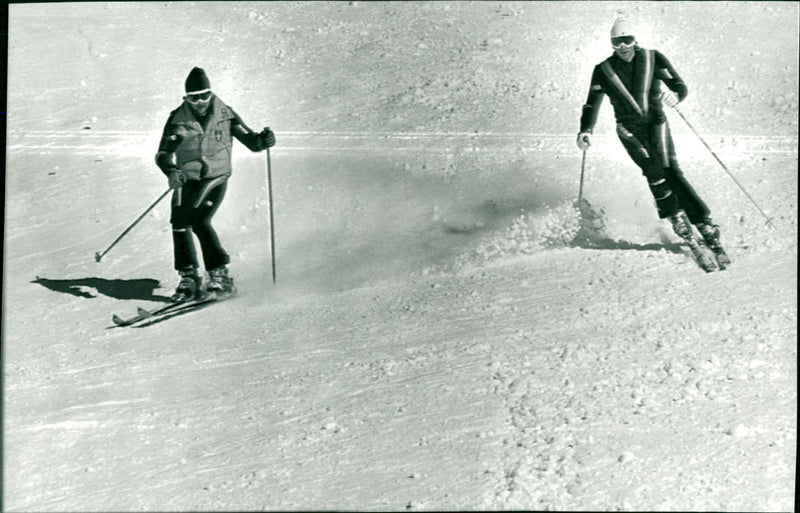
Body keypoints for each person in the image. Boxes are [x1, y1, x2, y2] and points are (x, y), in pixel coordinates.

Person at [576, 18, 729, 269]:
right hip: (629, 131)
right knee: (655, 174)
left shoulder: (653, 58)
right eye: (617, 42)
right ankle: (677, 219)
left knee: (671, 171)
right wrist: (586, 130)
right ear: (611, 44)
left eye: (627, 40)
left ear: (635, 40)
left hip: (657, 124)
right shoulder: (603, 69)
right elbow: (592, 103)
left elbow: (679, 85)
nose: (623, 46)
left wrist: (675, 95)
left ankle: (704, 223)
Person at [155, 67, 276, 301]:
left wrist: (264, 140)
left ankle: (219, 275)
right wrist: (171, 171)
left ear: (211, 93)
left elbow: (252, 142)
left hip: (215, 176)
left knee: (199, 219)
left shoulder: (225, 114)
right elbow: (162, 154)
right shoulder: (177, 120)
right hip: (186, 179)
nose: (199, 102)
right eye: (193, 97)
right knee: (179, 222)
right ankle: (189, 277)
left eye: (204, 95)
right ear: (185, 97)